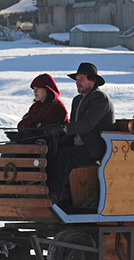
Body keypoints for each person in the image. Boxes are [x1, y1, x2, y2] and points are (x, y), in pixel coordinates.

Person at [44, 62, 116, 202]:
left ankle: (54, 195)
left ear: (92, 81)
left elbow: (87, 124)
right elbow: (73, 125)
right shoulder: (77, 100)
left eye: (81, 79)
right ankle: (45, 188)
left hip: (95, 148)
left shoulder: (99, 98)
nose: (77, 83)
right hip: (78, 145)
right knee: (50, 149)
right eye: (76, 79)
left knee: (65, 155)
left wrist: (64, 128)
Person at [12, 73, 68, 141]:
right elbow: (21, 125)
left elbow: (46, 131)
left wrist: (31, 126)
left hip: (48, 146)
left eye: (38, 88)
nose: (35, 92)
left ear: (47, 89)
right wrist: (33, 125)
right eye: (34, 89)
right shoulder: (35, 107)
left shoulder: (57, 107)